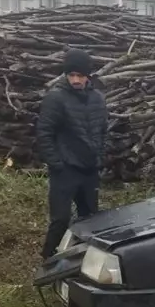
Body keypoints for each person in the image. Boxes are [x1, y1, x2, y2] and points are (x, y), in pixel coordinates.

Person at [38, 49, 108, 259]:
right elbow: (44, 133)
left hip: (89, 169)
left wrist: (99, 156)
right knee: (60, 219)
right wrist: (56, 163)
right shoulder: (56, 98)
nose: (76, 80)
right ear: (66, 75)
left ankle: (80, 261)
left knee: (90, 219)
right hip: (65, 170)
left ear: (88, 76)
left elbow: (103, 130)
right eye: (71, 75)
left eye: (80, 75)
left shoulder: (97, 99)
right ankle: (47, 260)